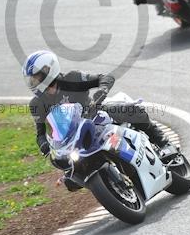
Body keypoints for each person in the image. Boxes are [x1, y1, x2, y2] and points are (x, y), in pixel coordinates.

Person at [22, 50, 171, 161]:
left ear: (49, 69)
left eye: (36, 77)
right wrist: (44, 145)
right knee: (70, 178)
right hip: (71, 138)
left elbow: (104, 78)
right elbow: (41, 133)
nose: (34, 82)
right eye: (32, 79)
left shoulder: (73, 78)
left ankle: (161, 140)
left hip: (96, 115)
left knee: (131, 110)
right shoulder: (37, 103)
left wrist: (102, 90)